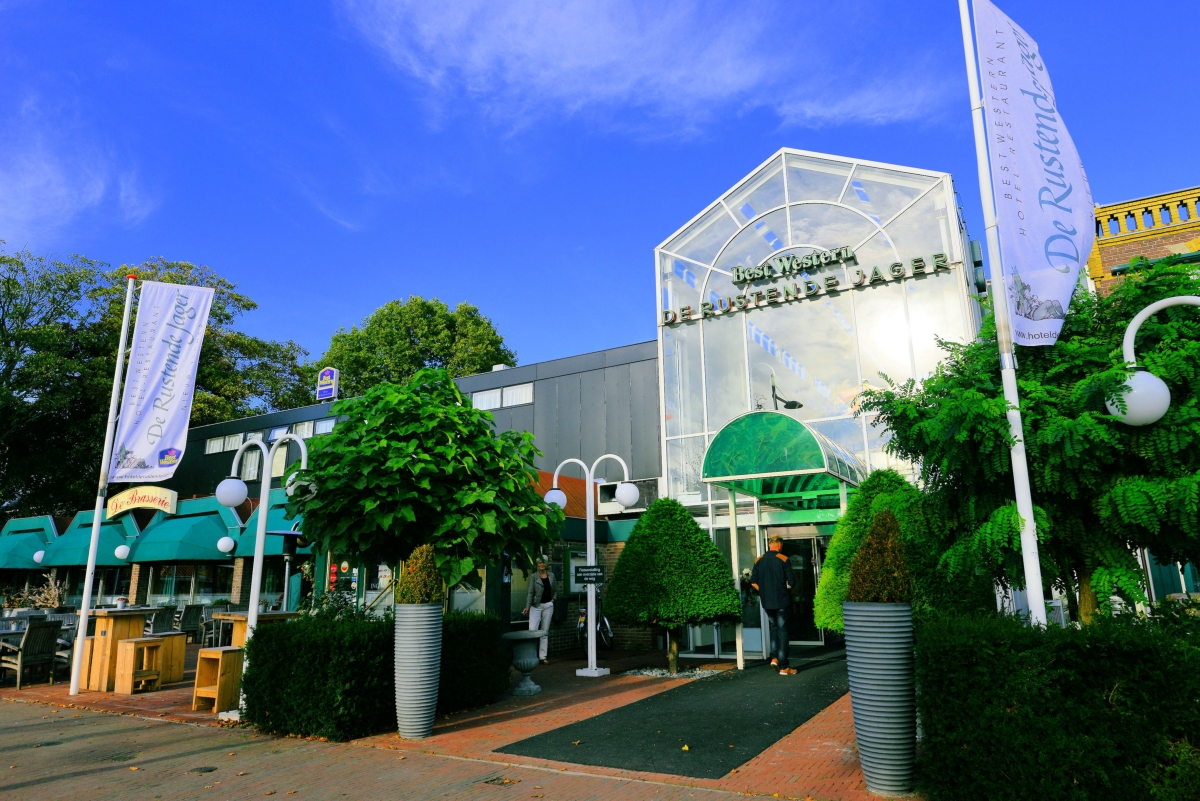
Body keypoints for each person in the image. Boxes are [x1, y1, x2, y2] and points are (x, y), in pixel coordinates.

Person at [750, 534, 797, 675]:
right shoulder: (783, 559)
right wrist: (785, 591)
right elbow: (792, 582)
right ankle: (784, 666)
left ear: (769, 545)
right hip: (781, 601)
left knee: (774, 628)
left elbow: (753, 582)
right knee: (783, 631)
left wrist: (764, 592)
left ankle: (774, 658)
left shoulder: (759, 560)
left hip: (767, 602)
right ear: (780, 545)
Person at [523, 558, 556, 664]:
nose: (541, 564)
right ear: (537, 565)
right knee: (532, 631)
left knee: (544, 631)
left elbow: (555, 590)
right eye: (539, 563)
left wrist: (553, 600)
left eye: (543, 563)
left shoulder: (551, 576)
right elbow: (530, 592)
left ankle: (543, 656)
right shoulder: (533, 576)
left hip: (548, 606)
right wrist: (527, 606)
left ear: (546, 564)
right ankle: (531, 655)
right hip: (536, 606)